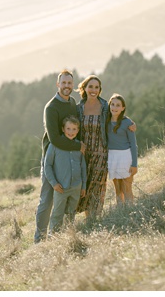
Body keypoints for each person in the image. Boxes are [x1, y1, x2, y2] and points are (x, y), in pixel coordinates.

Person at [34, 69, 82, 243]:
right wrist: (78, 146)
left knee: (66, 198)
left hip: (69, 159)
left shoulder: (72, 103)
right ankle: (39, 239)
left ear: (73, 85)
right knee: (47, 199)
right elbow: (54, 139)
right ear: (58, 84)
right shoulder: (51, 107)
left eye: (70, 83)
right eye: (64, 83)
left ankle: (61, 236)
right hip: (52, 159)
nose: (67, 86)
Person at [44, 116, 87, 236]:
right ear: (63, 129)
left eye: (74, 129)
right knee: (57, 213)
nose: (71, 132)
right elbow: (47, 165)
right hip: (60, 187)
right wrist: (54, 183)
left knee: (71, 212)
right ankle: (53, 237)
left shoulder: (79, 146)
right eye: (68, 128)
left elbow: (83, 167)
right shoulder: (54, 145)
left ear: (78, 130)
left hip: (76, 187)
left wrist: (83, 185)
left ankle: (69, 236)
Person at [74, 75, 108, 219]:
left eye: (97, 87)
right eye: (91, 87)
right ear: (85, 88)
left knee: (98, 184)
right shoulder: (79, 108)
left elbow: (118, 116)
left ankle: (95, 218)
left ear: (100, 90)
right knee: (85, 183)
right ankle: (87, 217)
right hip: (84, 151)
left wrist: (129, 123)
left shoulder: (105, 106)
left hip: (101, 151)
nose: (93, 90)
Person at [106, 94, 138, 206]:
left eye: (118, 105)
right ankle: (120, 211)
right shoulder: (106, 121)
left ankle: (130, 210)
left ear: (123, 108)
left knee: (127, 187)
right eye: (112, 104)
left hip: (125, 156)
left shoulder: (127, 123)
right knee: (117, 188)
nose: (114, 107)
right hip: (112, 156)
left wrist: (134, 164)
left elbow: (133, 145)